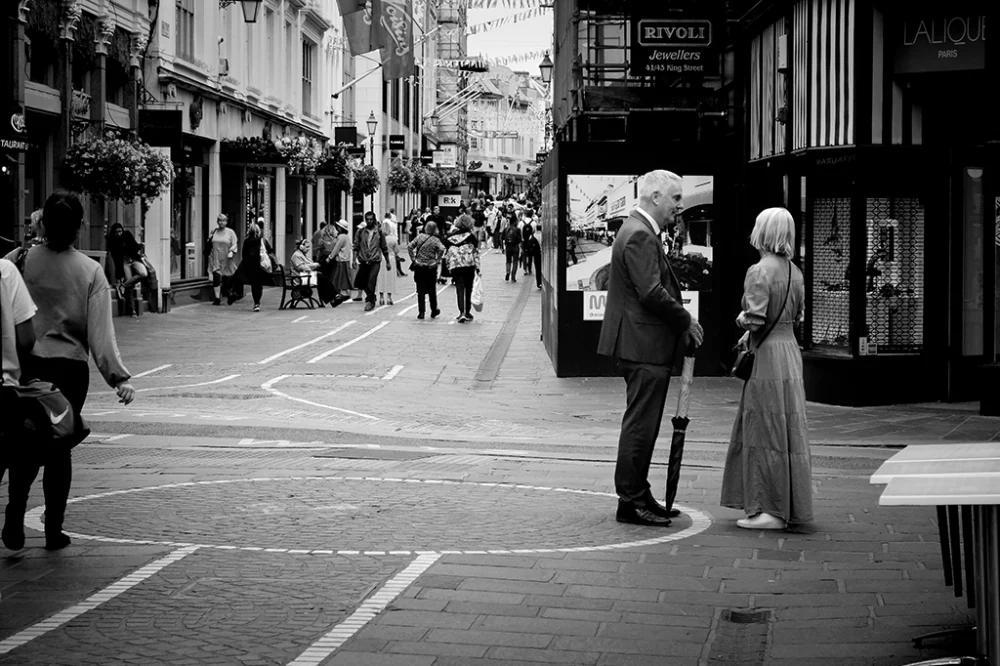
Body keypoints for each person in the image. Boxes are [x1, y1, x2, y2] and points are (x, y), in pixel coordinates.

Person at [4, 190, 135, 551]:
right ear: (79, 226)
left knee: (24, 446)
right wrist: (118, 377)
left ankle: (14, 518)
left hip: (27, 367)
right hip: (68, 373)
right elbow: (100, 335)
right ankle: (53, 530)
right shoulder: (91, 272)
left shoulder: (20, 260)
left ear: (43, 222)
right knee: (59, 448)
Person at [596, 170, 704, 528]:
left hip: (641, 344)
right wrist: (685, 320)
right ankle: (630, 500)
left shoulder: (637, 230)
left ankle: (639, 494)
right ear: (655, 197)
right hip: (642, 346)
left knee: (643, 423)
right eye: (675, 198)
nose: (679, 205)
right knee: (641, 426)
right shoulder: (640, 235)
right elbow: (651, 292)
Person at [721, 207, 812, 531]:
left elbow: (756, 318)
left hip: (768, 357)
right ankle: (786, 504)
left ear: (762, 233)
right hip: (789, 354)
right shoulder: (795, 272)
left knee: (764, 430)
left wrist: (741, 319)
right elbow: (796, 316)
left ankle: (768, 510)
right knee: (787, 431)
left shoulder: (760, 271)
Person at [0, 256, 37, 521]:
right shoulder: (5, 271)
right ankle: (15, 509)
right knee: (19, 450)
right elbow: (26, 338)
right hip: (3, 387)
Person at [231, 222, 275, 312]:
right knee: (257, 285)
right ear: (258, 231)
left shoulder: (246, 241)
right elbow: (270, 250)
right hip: (259, 266)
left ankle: (236, 293)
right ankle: (257, 303)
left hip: (248, 266)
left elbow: (244, 254)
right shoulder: (262, 240)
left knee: (238, 278)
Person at [445, 214, 481, 323]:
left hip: (456, 265)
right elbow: (475, 251)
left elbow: (446, 251)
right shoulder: (471, 236)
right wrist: (478, 267)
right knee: (468, 288)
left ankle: (461, 312)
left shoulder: (451, 237)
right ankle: (467, 312)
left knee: (459, 288)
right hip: (469, 265)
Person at [408, 221, 446, 320]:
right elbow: (442, 249)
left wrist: (413, 260)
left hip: (419, 266)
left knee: (420, 290)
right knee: (432, 289)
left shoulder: (420, 237)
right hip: (431, 267)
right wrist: (438, 260)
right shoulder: (435, 240)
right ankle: (434, 309)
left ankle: (421, 312)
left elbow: (410, 246)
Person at [353, 211, 390, 311]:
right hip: (364, 260)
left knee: (371, 281)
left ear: (374, 220)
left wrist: (387, 262)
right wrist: (354, 259)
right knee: (360, 283)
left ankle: (370, 302)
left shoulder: (379, 232)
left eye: (371, 219)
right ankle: (372, 296)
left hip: (375, 260)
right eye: (367, 219)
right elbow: (356, 246)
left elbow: (384, 247)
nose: (369, 221)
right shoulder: (360, 232)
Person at [106, 222, 149, 303]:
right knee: (130, 283)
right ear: (113, 233)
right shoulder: (113, 242)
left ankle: (122, 286)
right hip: (124, 263)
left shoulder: (127, 235)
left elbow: (134, 246)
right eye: (116, 232)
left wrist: (139, 246)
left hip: (133, 259)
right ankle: (132, 310)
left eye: (120, 231)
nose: (118, 234)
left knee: (144, 273)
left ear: (122, 230)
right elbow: (116, 259)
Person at [206, 213, 238, 305]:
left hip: (227, 258)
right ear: (217, 221)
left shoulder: (230, 232)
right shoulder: (214, 231)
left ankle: (229, 295)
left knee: (227, 279)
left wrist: (232, 251)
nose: (221, 222)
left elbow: (235, 243)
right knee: (216, 277)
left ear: (226, 222)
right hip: (215, 258)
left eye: (223, 221)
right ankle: (217, 298)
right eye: (220, 221)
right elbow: (210, 243)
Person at [377, 220, 403, 305]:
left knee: (381, 277)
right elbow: (397, 251)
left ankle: (381, 297)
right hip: (390, 259)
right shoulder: (393, 239)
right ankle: (389, 297)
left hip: (381, 258)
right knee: (390, 278)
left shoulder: (379, 238)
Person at [522, 223, 542, 289]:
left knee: (537, 268)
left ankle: (539, 282)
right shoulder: (544, 235)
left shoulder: (533, 236)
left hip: (536, 254)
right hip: (543, 253)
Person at [502, 216, 522, 282]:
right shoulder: (518, 230)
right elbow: (519, 240)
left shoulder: (506, 229)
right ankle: (513, 276)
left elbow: (502, 238)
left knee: (508, 261)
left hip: (508, 247)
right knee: (515, 261)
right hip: (515, 247)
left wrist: (503, 247)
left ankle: (508, 271)